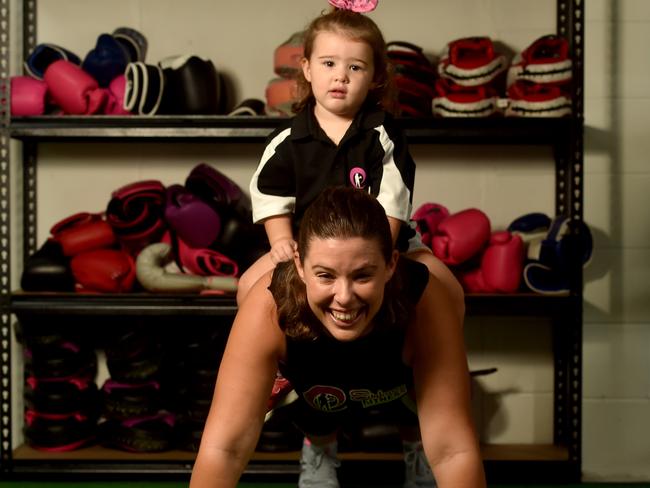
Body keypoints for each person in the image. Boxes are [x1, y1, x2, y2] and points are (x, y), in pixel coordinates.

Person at [190, 187, 486, 488]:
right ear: (299, 266)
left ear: (391, 265)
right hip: (310, 378)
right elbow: (225, 449)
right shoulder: (269, 305)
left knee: (449, 289)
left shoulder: (424, 300)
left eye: (362, 276)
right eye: (325, 275)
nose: (344, 298)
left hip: (402, 374)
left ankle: (418, 445)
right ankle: (317, 441)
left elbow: (453, 451)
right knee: (250, 287)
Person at [237, 4, 464, 322]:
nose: (340, 76)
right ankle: (278, 366)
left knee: (449, 290)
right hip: (308, 245)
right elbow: (271, 195)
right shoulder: (287, 139)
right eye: (328, 63)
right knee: (248, 286)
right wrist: (282, 242)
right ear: (307, 68)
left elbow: (391, 205)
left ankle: (431, 357)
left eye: (355, 67)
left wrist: (380, 256)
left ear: (375, 77)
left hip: (385, 241)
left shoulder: (383, 134)